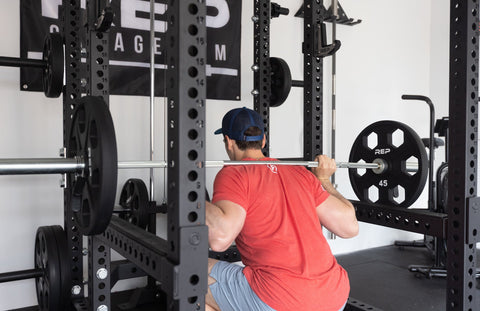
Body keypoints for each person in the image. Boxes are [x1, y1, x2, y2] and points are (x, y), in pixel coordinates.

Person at [205, 107, 359, 311]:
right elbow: (350, 227)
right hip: (334, 297)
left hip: (280, 300)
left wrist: (188, 189)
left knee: (188, 272)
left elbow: (219, 239)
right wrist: (323, 180)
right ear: (263, 141)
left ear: (228, 141)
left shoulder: (235, 172)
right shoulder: (300, 173)